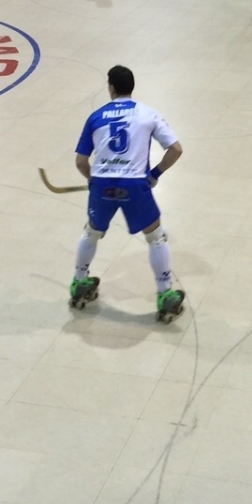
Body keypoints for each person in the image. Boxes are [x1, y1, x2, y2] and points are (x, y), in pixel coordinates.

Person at [69, 65, 186, 323]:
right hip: (134, 185)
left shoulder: (96, 116)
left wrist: (93, 181)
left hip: (102, 183)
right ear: (132, 87)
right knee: (156, 237)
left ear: (111, 87)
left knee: (92, 233)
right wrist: (154, 174)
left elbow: (80, 161)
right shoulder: (148, 113)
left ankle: (79, 282)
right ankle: (165, 294)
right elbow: (176, 150)